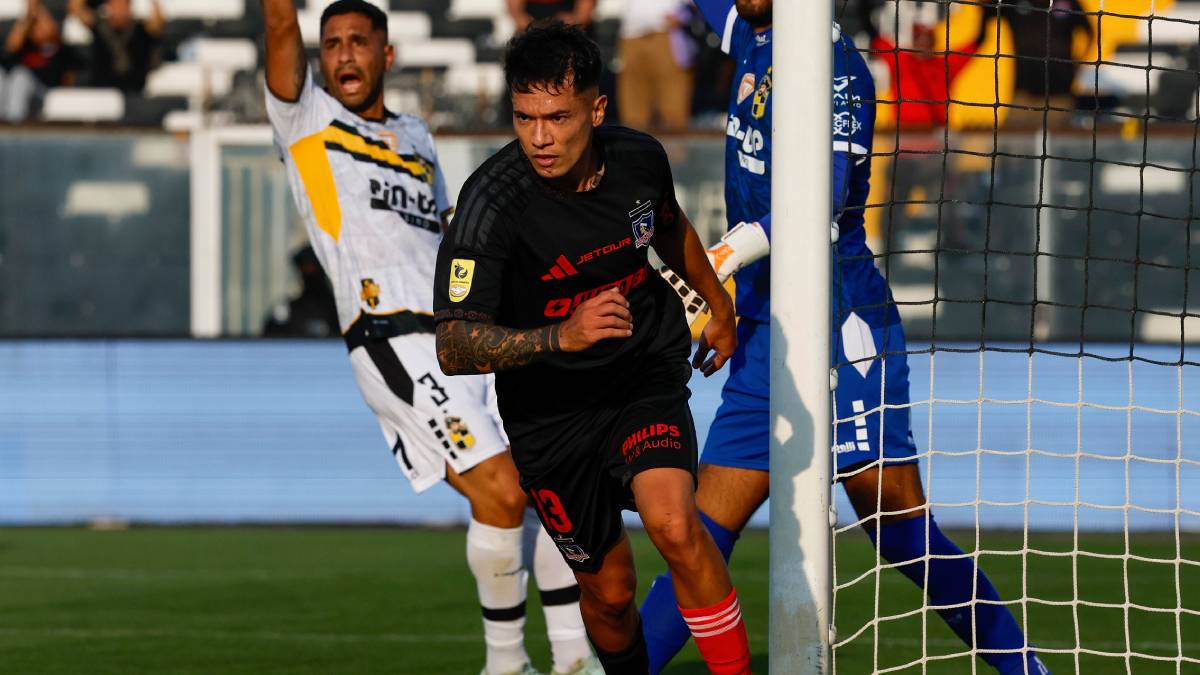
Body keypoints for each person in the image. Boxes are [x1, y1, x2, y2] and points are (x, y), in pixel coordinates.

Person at [639, 2, 1053, 674]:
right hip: (762, 332)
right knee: (694, 540)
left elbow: (821, 198)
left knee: (901, 534)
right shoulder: (754, 31)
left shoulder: (836, 70)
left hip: (841, 326)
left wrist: (719, 259)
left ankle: (1026, 669)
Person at [259, 2, 600, 674]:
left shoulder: (415, 135)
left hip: (462, 335)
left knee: (548, 481)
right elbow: (276, 26)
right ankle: (505, 663)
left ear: (389, 56)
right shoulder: (306, 121)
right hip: (389, 336)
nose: (344, 55)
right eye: (332, 44)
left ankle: (572, 660)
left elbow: (453, 241)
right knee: (501, 489)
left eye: (360, 42)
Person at [433, 20, 750, 674]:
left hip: (641, 375)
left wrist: (719, 307)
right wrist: (562, 335)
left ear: (597, 108)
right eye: (524, 118)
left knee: (676, 525)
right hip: (550, 417)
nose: (540, 137)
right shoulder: (490, 206)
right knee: (609, 594)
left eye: (557, 117)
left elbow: (671, 229)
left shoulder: (638, 159)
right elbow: (453, 343)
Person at [859, 0, 988, 129]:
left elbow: (978, 41)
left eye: (927, 39)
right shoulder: (899, 59)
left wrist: (987, 8)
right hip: (904, 134)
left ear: (933, 42)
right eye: (919, 37)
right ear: (913, 41)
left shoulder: (945, 64)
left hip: (936, 134)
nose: (923, 43)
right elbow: (873, 33)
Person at [994, 0, 1092, 128]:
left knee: (1055, 143)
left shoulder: (1069, 2)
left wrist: (1079, 62)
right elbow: (988, 10)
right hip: (1023, 92)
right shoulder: (1014, 2)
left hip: (1058, 93)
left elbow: (1090, 32)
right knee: (1012, 143)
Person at [616, 0, 695, 131]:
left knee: (672, 110)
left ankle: (676, 151)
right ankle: (634, 150)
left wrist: (683, 15)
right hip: (630, 34)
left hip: (666, 33)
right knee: (634, 113)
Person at [68, 0, 164, 92]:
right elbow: (76, 9)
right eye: (115, 4)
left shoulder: (140, 27)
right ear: (108, 7)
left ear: (130, 7)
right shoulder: (99, 25)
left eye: (123, 5)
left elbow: (158, 24)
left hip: (134, 90)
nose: (119, 9)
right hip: (103, 91)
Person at [1, 0, 69, 121]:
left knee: (21, 77)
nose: (39, 29)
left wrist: (37, 10)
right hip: (16, 88)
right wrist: (28, 18)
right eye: (35, 26)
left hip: (42, 89)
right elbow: (12, 46)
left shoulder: (53, 43)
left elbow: (51, 33)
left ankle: (13, 124)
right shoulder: (25, 41)